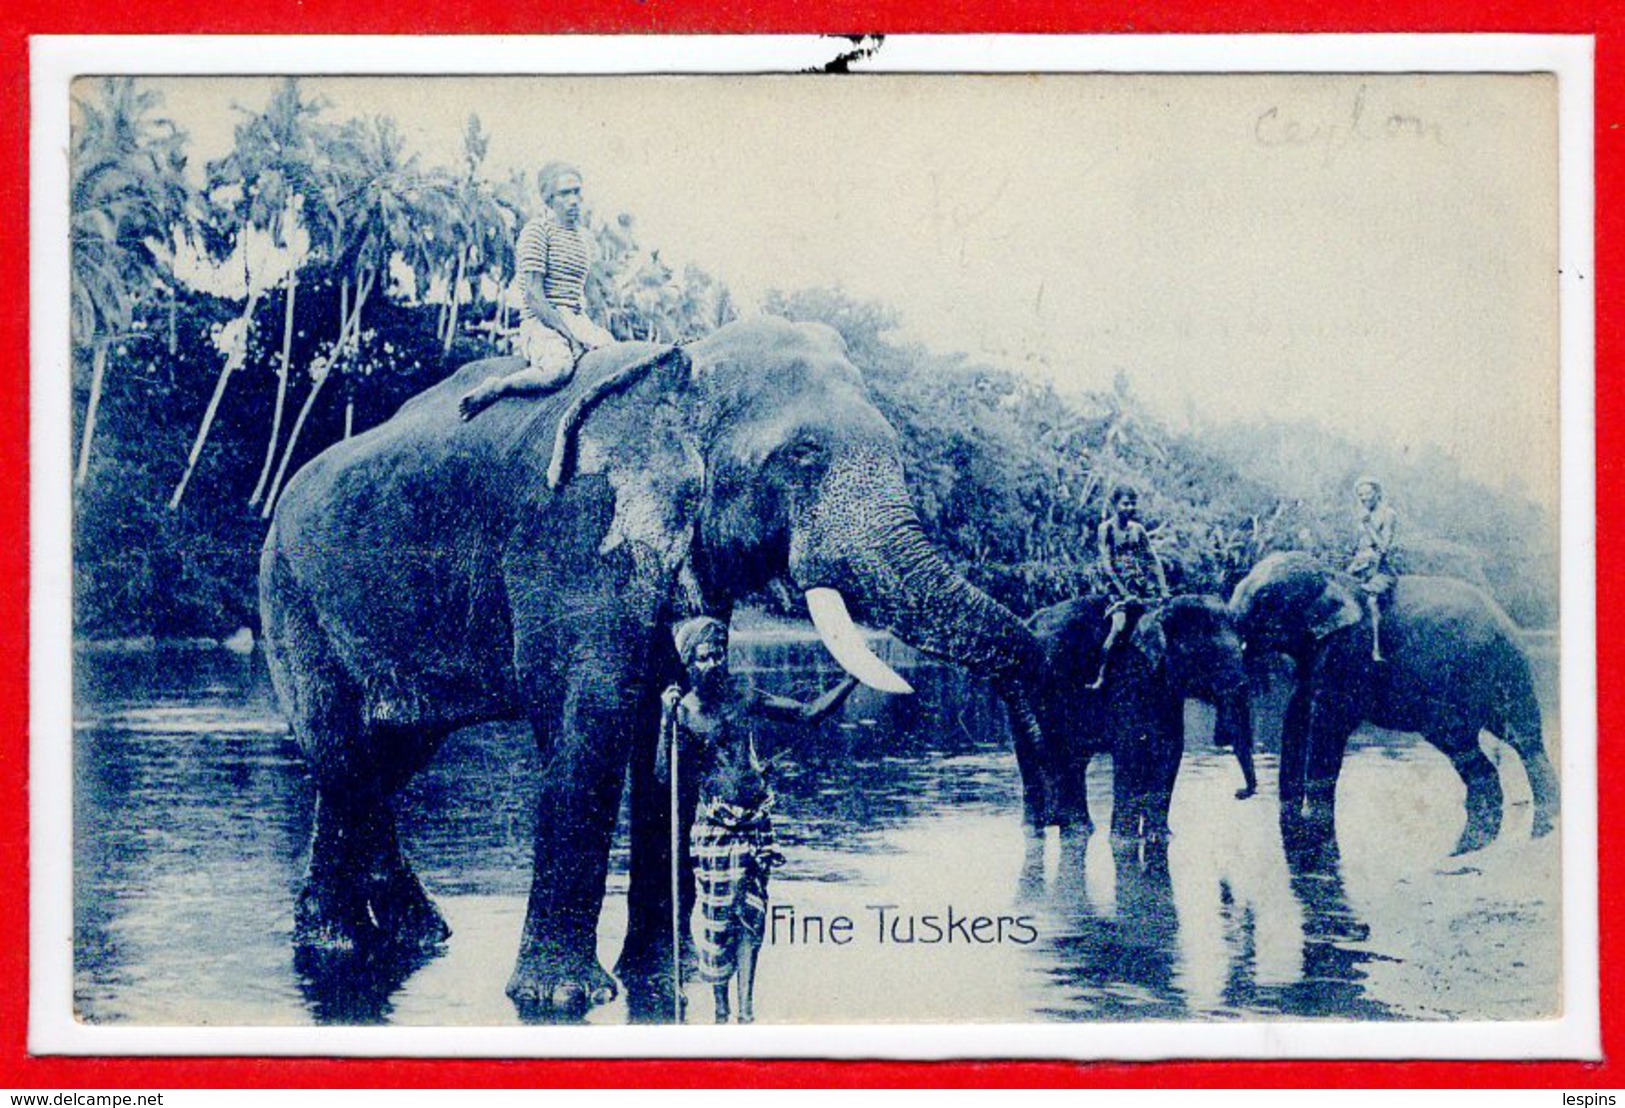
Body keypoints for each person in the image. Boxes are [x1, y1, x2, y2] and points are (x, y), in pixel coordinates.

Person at [654, 616, 860, 1024]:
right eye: (704, 657)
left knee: (752, 915)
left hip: (756, 824)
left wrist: (853, 678)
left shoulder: (743, 695)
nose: (714, 663)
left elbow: (807, 713)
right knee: (717, 923)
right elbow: (663, 775)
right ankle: (721, 1009)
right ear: (689, 663)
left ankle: (746, 1013)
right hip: (715, 829)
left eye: (719, 654)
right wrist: (664, 718)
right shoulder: (685, 712)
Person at [459, 163, 616, 420]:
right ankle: (499, 386)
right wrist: (570, 337)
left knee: (617, 360)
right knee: (558, 370)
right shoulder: (537, 231)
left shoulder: (585, 239)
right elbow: (534, 297)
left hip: (579, 320)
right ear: (549, 199)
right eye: (565, 194)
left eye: (577, 192)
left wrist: (596, 331)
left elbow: (592, 295)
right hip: (542, 321)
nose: (574, 200)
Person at [1089, 484, 1170, 690]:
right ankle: (1101, 675)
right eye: (1125, 503)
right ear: (1115, 505)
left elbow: (1152, 559)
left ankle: (1156, 673)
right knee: (1119, 627)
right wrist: (1123, 593)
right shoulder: (1106, 528)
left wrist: (1163, 588)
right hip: (1115, 587)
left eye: (1133, 503)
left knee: (1160, 623)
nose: (1130, 507)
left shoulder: (1138, 530)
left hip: (1138, 583)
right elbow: (1106, 563)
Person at [1347, 476, 1398, 662]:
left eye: (1367, 493)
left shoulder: (1388, 514)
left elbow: (1383, 548)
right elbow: (1358, 546)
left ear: (1377, 493)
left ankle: (1376, 649)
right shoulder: (1361, 516)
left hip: (1380, 569)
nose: (1363, 498)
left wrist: (1368, 525)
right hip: (1359, 566)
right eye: (1360, 494)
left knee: (1371, 600)